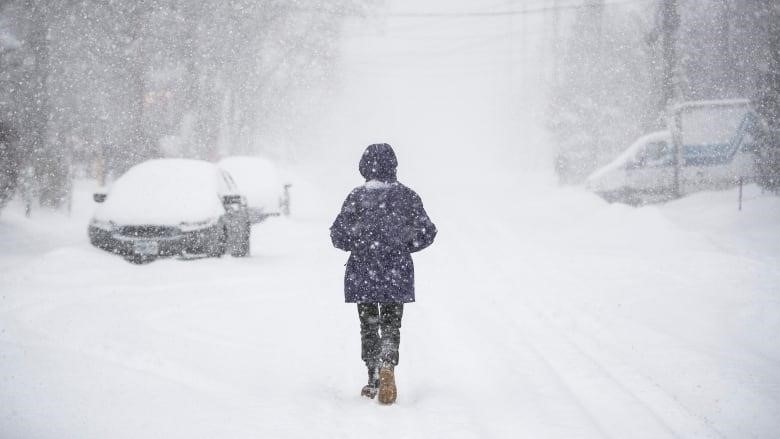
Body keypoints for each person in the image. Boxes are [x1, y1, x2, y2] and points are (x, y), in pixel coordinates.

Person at [330, 143, 437, 405]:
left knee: (368, 325)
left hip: (363, 271)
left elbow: (337, 235)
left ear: (364, 167)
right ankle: (388, 363)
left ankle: (373, 378)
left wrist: (358, 244)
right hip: (395, 271)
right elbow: (428, 232)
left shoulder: (356, 197)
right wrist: (403, 247)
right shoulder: (408, 197)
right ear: (394, 166)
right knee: (391, 323)